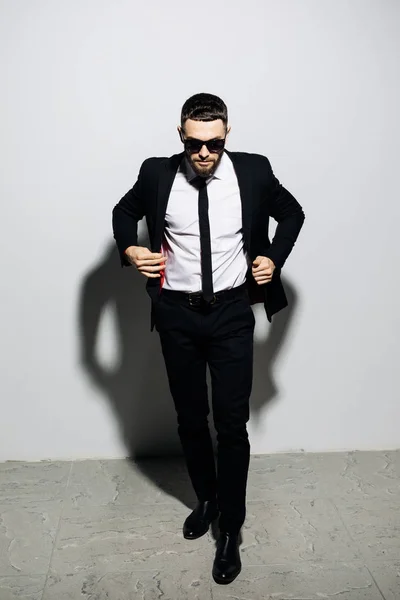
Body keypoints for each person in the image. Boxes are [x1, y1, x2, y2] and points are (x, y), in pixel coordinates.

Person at [112, 93, 305, 584]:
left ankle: (230, 530)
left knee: (232, 423)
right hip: (177, 314)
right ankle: (206, 499)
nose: (205, 154)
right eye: (196, 144)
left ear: (227, 135)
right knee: (191, 417)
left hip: (232, 313)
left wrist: (273, 257)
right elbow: (122, 212)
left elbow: (293, 212)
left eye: (215, 144)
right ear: (180, 135)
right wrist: (132, 248)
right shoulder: (156, 173)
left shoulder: (253, 171)